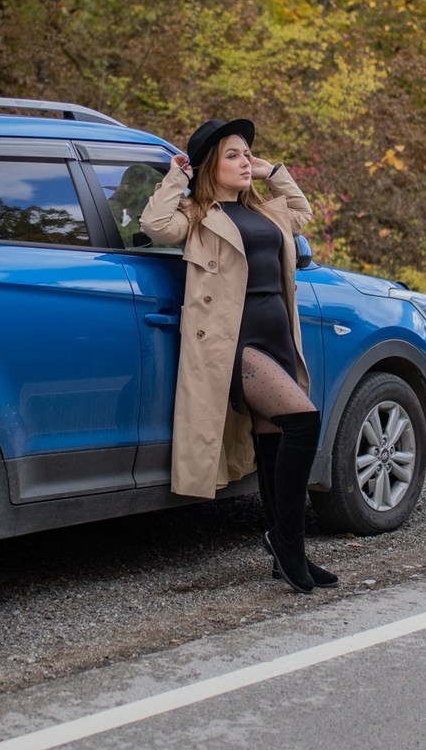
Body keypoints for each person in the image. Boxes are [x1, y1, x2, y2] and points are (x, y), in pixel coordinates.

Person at [140, 117, 338, 594]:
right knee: (304, 421)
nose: (245, 160)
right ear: (210, 165)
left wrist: (274, 171)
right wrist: (177, 176)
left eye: (248, 153)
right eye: (234, 155)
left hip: (278, 337)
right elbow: (154, 224)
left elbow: (303, 211)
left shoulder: (266, 210)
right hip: (234, 344)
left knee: (274, 444)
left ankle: (287, 550)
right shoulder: (198, 215)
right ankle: (287, 541)